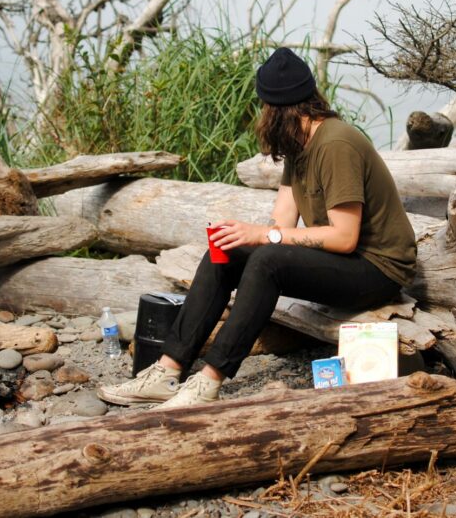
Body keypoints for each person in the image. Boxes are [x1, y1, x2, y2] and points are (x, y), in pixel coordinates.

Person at [99, 47, 417, 409]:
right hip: (341, 262)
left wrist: (266, 239)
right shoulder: (300, 144)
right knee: (229, 248)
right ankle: (168, 370)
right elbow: (280, 224)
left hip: (377, 270)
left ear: (278, 109)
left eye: (264, 108)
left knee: (268, 260)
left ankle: (208, 381)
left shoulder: (336, 144)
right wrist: (244, 236)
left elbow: (344, 239)